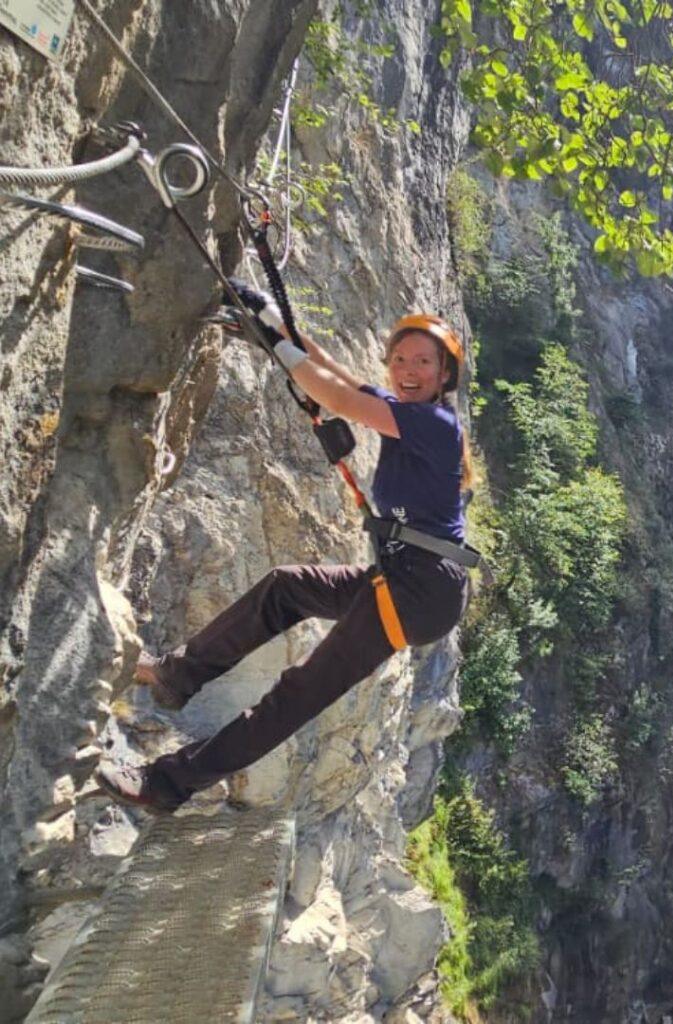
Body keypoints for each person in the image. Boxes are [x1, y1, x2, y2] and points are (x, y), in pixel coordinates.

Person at [96, 288, 474, 813]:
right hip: (405, 577)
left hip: (419, 592)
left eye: (424, 362)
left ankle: (166, 784)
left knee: (296, 694)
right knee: (287, 587)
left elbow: (339, 400)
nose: (408, 370)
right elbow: (339, 377)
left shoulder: (433, 423)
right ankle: (178, 675)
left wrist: (273, 346)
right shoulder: (406, 410)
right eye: (400, 360)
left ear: (444, 375)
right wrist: (271, 319)